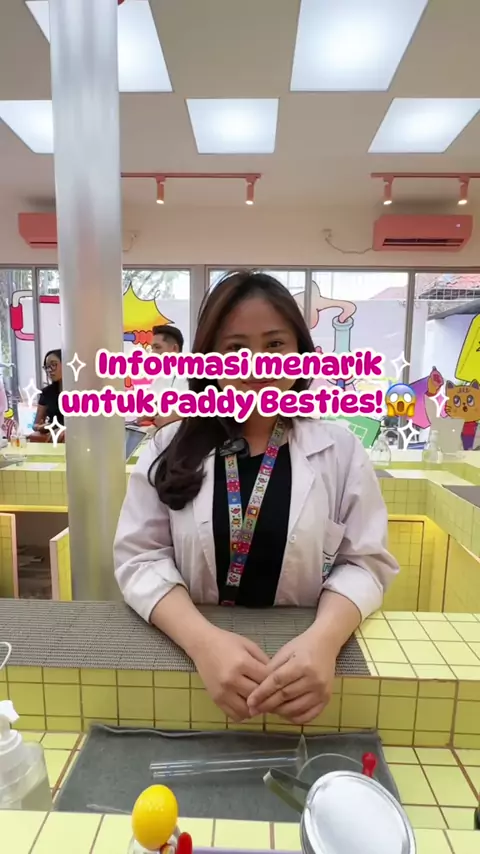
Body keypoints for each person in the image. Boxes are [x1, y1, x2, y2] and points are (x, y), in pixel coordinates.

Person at [114, 271, 398, 725]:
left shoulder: (341, 451)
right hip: (194, 668)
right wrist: (202, 642)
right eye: (235, 348)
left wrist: (325, 641)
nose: (256, 365)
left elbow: (364, 562)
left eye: (275, 345)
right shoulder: (168, 446)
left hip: (303, 670)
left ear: (301, 353)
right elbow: (140, 559)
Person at [136, 325, 185, 429]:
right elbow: (143, 415)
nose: (153, 352)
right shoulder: (159, 379)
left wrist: (173, 416)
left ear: (174, 349)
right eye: (152, 348)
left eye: (157, 347)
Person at [29, 349, 65, 442]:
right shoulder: (46, 392)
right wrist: (41, 427)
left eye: (53, 365)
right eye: (47, 367)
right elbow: (35, 424)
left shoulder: (79, 391)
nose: (49, 370)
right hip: (52, 432)